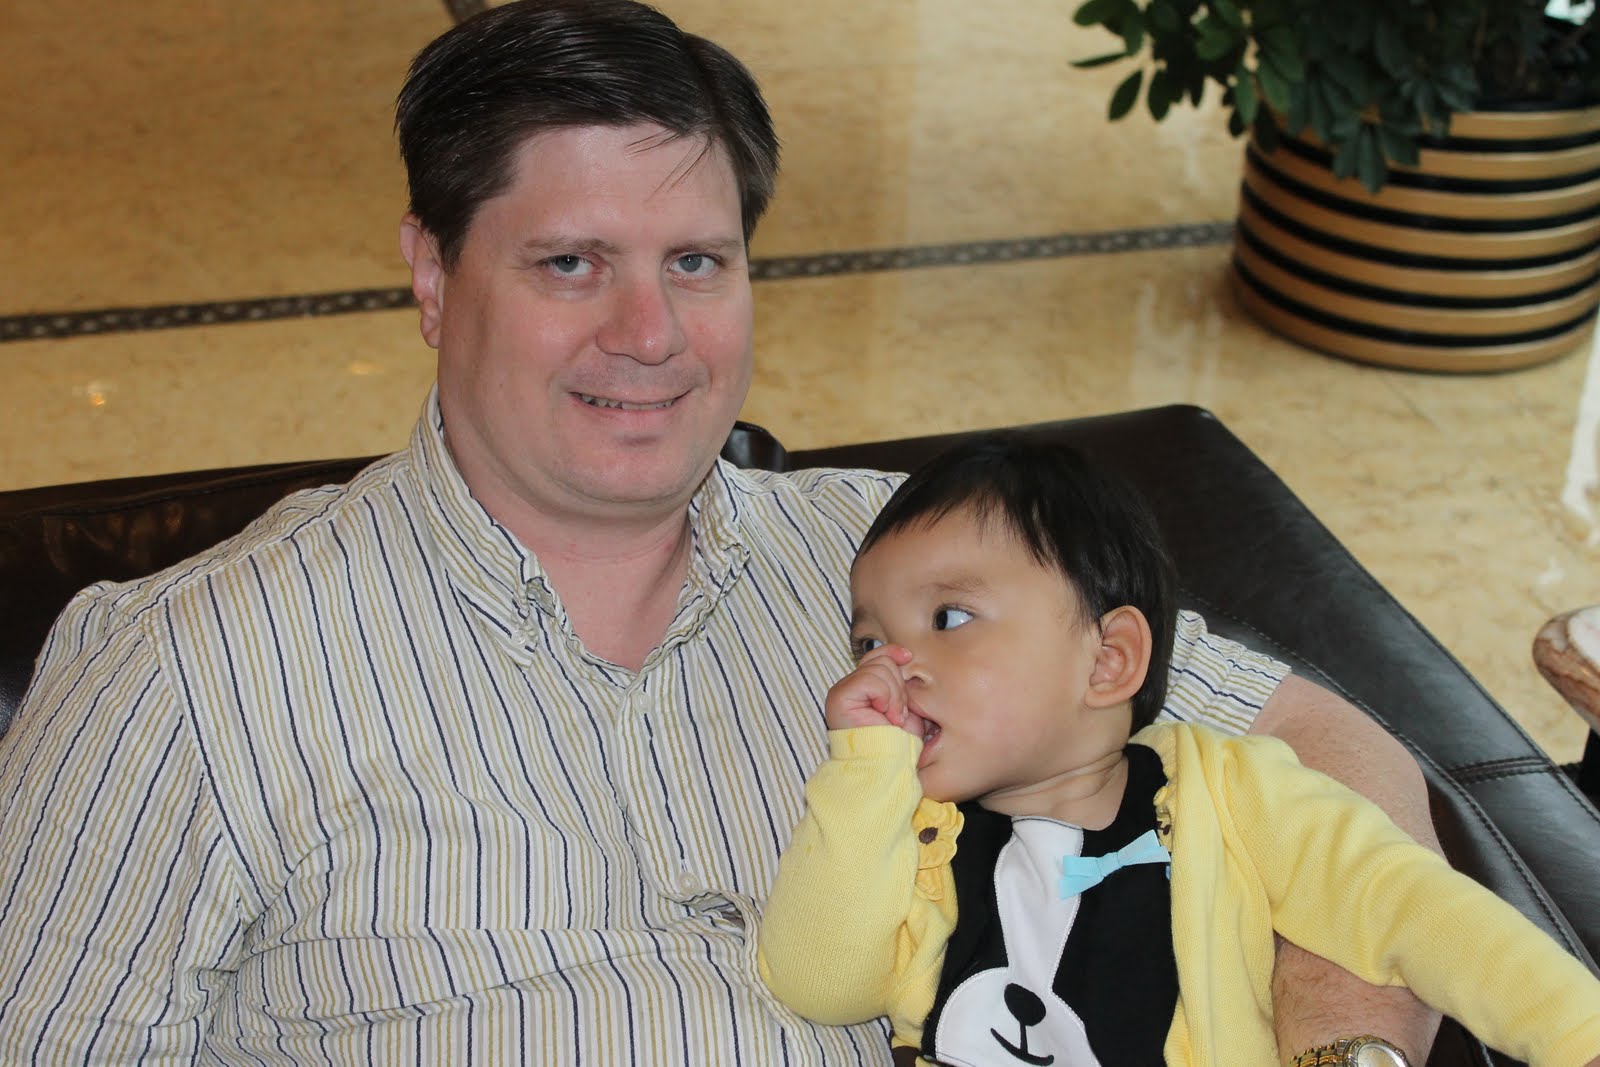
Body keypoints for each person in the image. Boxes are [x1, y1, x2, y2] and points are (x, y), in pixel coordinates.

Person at [0, 0, 1439, 1062]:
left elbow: (1323, 745)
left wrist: (1347, 1047)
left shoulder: (912, 564)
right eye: (572, 263)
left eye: (696, 261)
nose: (651, 333)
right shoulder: (183, 679)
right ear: (433, 276)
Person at [756, 434, 1600, 1067]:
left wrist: (1579, 1031)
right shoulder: (911, 840)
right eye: (868, 639)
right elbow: (820, 981)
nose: (893, 665)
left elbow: (1415, 908)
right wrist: (865, 771)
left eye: (949, 617)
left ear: (1108, 659)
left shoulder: (1233, 794)